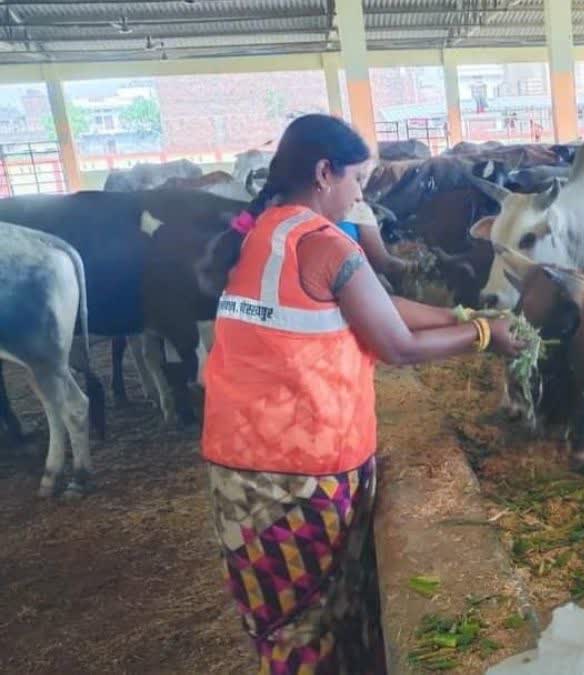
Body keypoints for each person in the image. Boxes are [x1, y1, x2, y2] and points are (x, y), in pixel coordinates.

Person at [199, 113, 523, 674]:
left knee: (290, 623)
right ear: (325, 173)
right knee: (313, 633)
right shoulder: (326, 245)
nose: (360, 196)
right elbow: (396, 345)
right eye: (358, 181)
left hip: (241, 472)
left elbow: (379, 306)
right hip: (299, 476)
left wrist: (458, 313)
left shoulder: (262, 232)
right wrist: (484, 335)